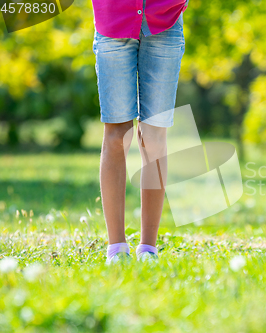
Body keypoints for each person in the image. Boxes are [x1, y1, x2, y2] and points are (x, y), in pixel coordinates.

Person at [91, 0, 188, 264]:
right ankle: (116, 248)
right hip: (112, 21)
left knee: (154, 139)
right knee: (116, 137)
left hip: (164, 20)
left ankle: (148, 248)